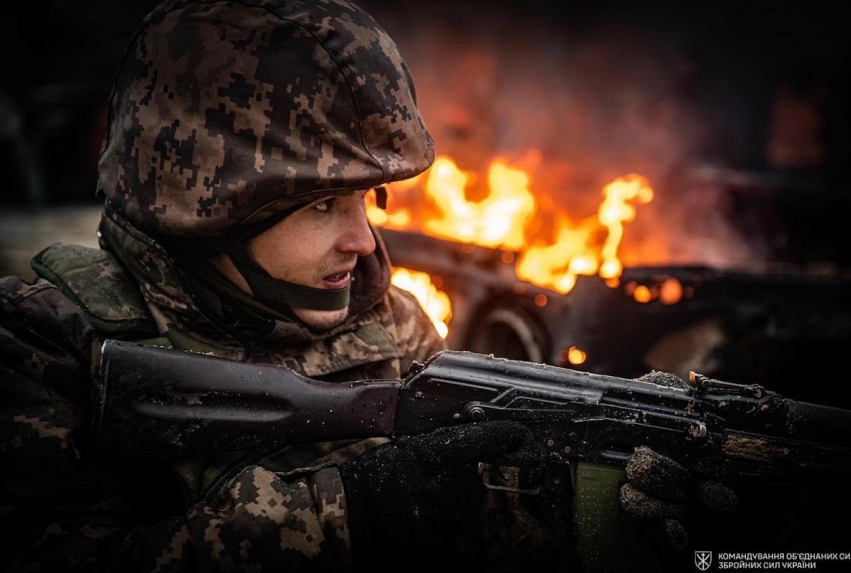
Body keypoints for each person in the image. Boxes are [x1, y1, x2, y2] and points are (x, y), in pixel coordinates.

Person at [0, 1, 732, 571]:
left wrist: (577, 516)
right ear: (209, 210)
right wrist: (349, 515)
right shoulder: (47, 344)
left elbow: (470, 536)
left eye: (368, 198)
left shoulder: (395, 325)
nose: (364, 240)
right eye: (323, 205)